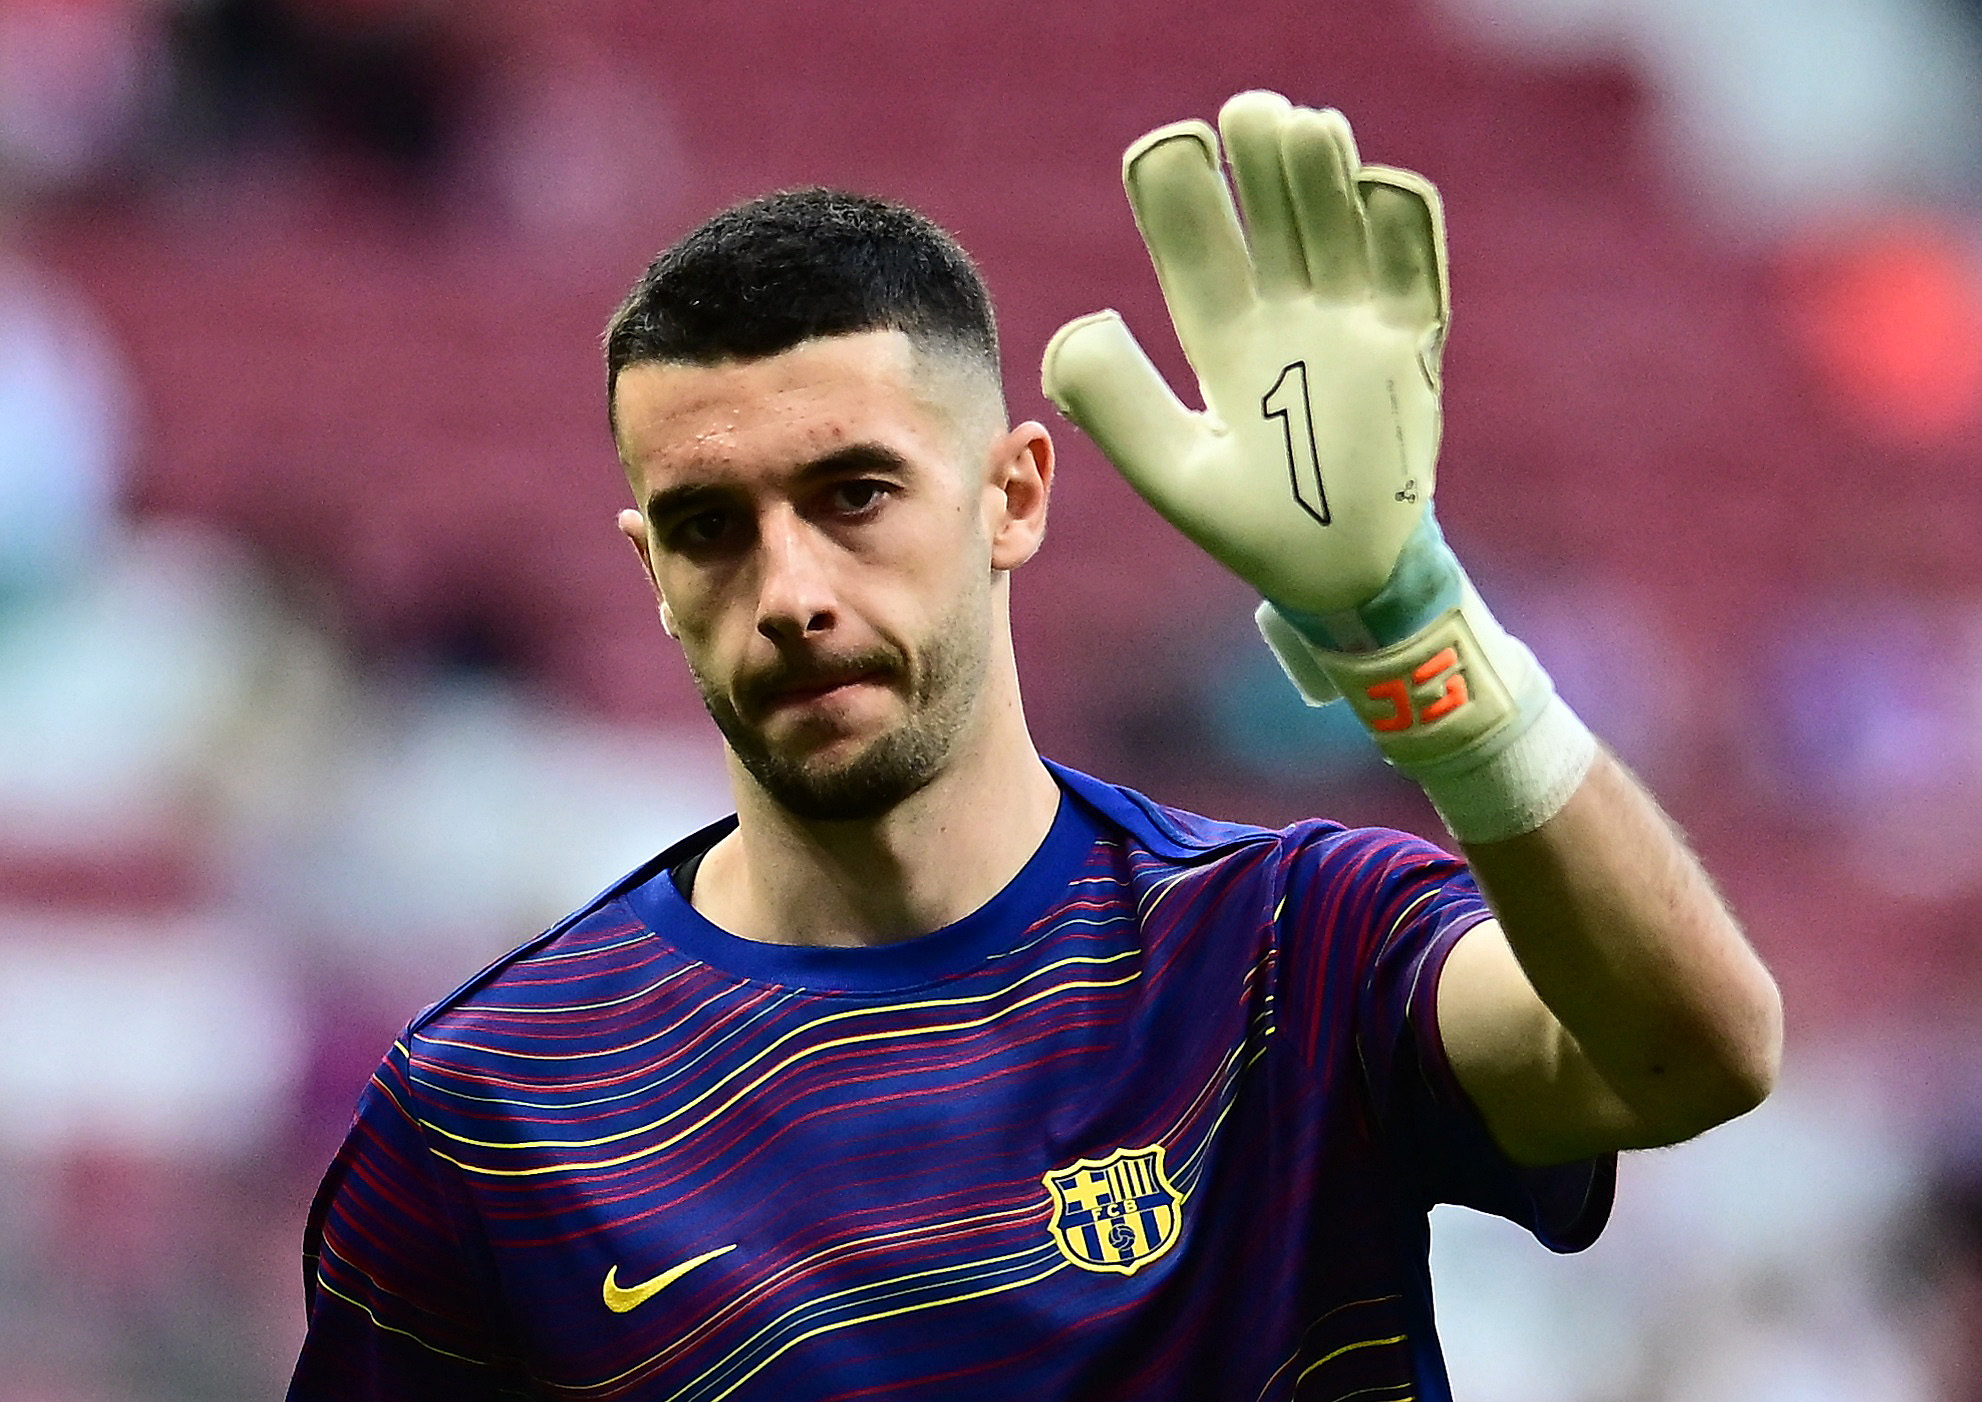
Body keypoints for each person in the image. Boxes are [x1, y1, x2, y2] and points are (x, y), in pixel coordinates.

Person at [287, 91, 1782, 1401]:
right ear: (650, 572)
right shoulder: (489, 1118)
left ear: (1012, 497)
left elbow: (1690, 1054)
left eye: (857, 493)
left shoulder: (1282, 946)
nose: (791, 591)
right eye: (706, 527)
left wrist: (1410, 625)